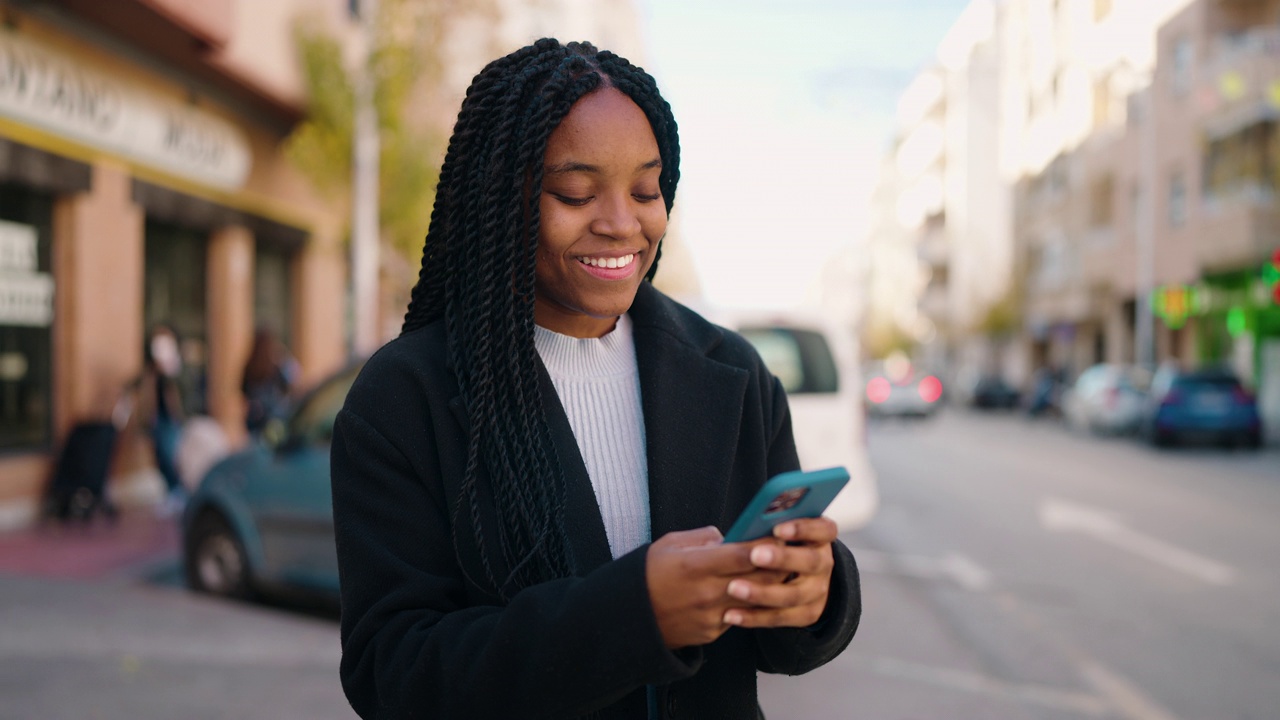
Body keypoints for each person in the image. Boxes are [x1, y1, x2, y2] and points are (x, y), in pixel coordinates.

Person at [330, 39, 860, 719]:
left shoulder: (731, 374)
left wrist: (813, 596)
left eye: (646, 189)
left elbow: (781, 647)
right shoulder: (404, 398)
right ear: (500, 196)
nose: (622, 224)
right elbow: (394, 675)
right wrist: (634, 616)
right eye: (576, 192)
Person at [135, 323, 186, 516]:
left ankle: (178, 491)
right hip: (156, 419)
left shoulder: (177, 367)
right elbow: (139, 383)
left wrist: (169, 370)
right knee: (159, 456)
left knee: (170, 455)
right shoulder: (151, 369)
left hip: (172, 420)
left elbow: (182, 390)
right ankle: (170, 492)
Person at [240, 326, 298, 436]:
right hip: (272, 419)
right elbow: (290, 382)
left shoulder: (249, 366)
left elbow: (243, 390)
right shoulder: (275, 366)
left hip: (253, 419)